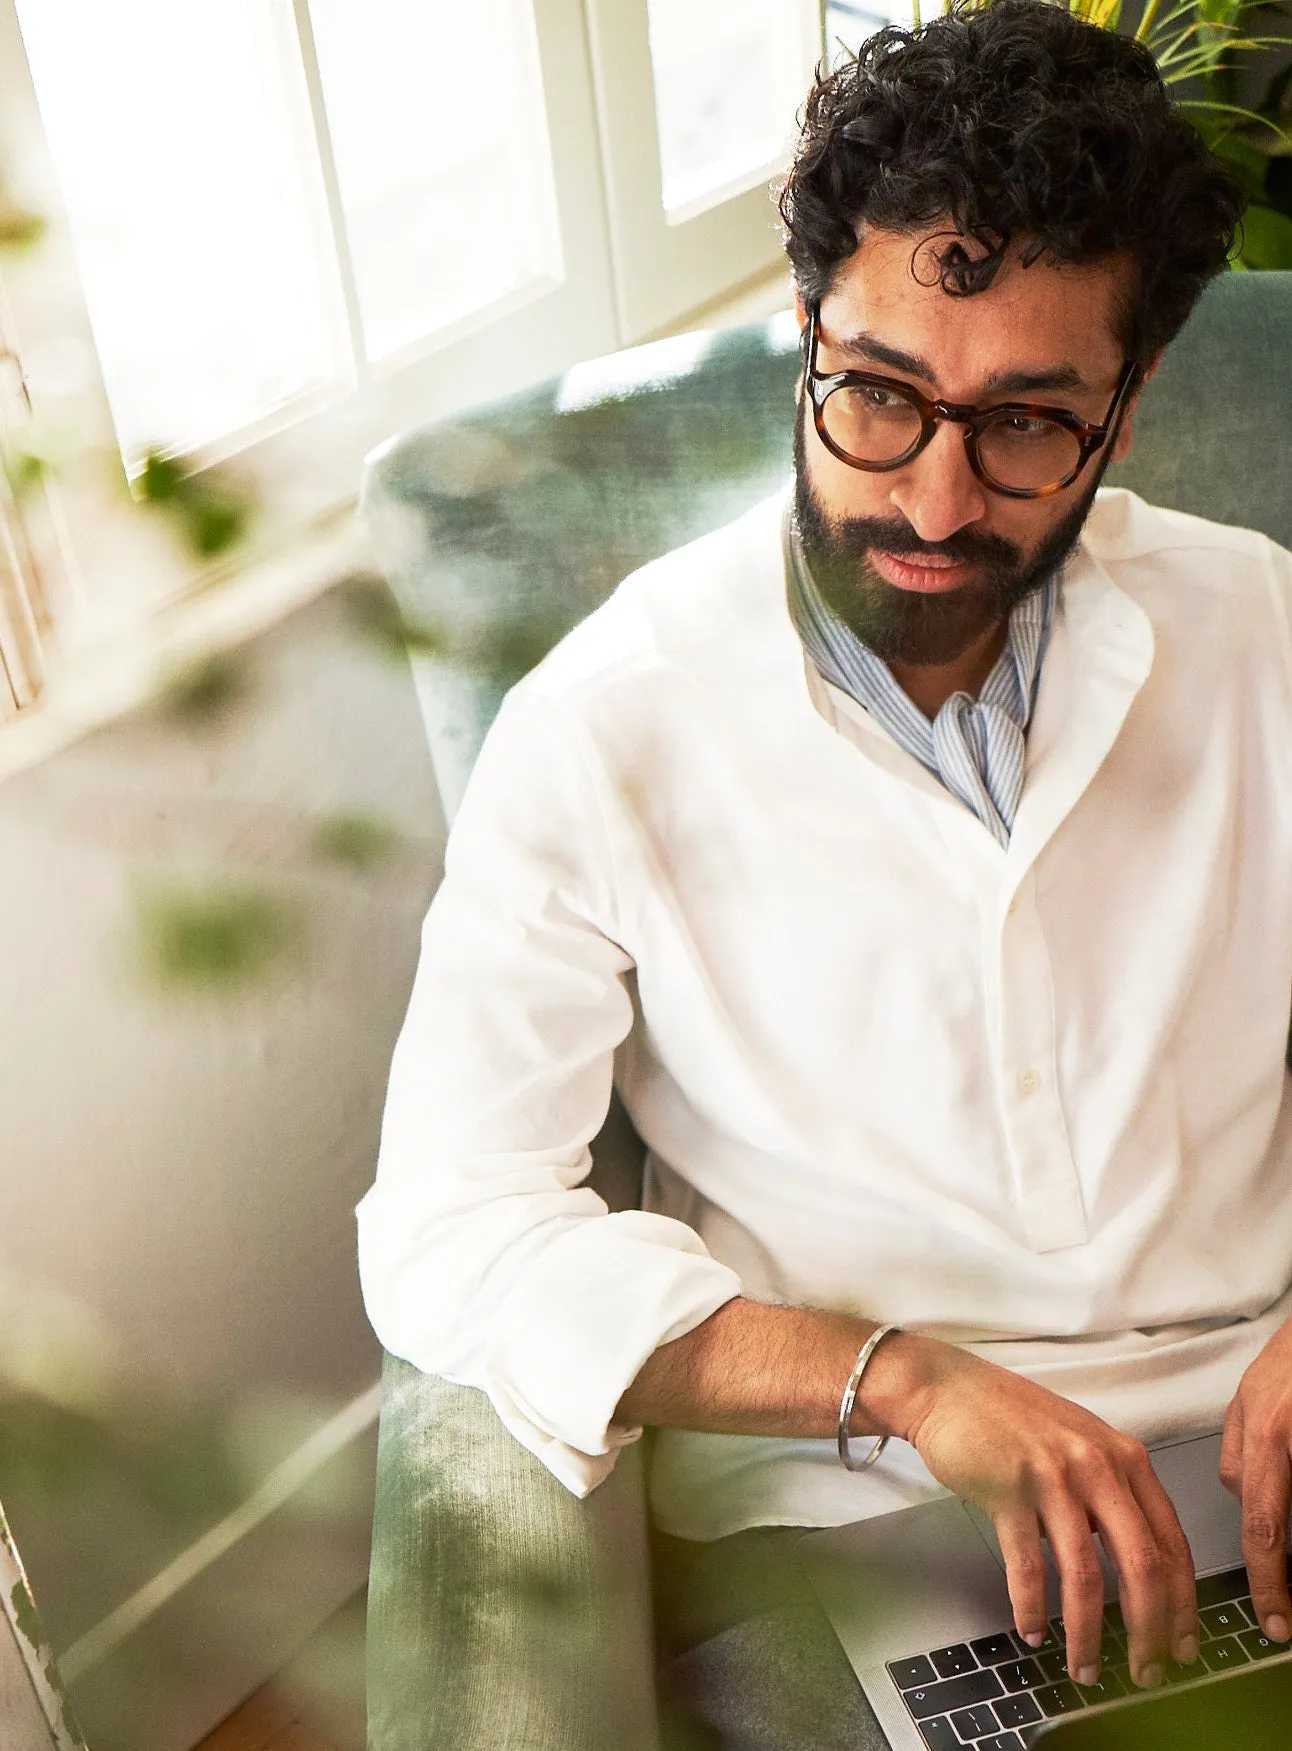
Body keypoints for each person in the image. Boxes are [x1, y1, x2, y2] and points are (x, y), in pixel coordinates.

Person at [358, 2, 1292, 1744]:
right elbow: (448, 1228)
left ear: (1128, 405)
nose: (935, 502)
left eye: (1026, 424)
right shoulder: (603, 726)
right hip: (865, 1517)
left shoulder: (1260, 628)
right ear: (806, 335)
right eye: (878, 396)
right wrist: (897, 1380)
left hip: (1257, 1447)